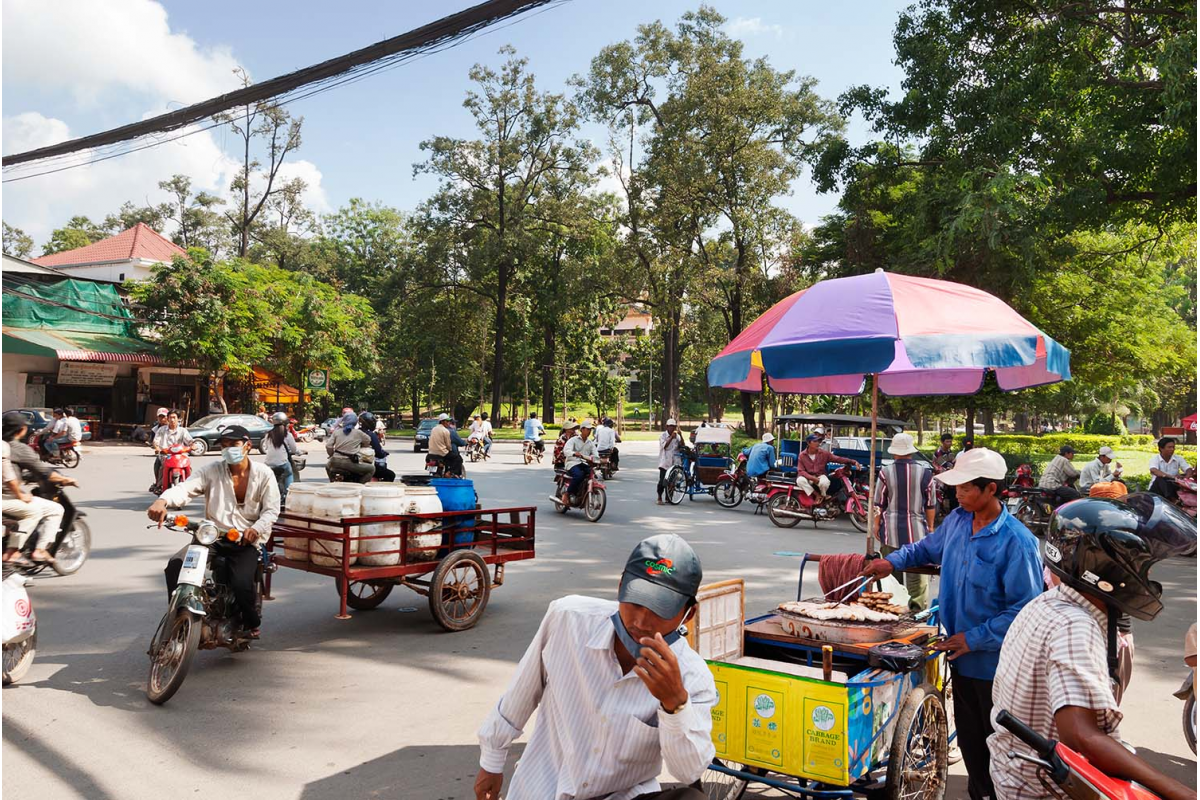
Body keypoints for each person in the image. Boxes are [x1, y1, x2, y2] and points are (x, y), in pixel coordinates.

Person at [475, 534, 716, 800]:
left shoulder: (693, 677)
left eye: (660, 609)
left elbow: (688, 771)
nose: (641, 621)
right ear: (621, 585)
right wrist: (492, 761)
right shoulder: (568, 618)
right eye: (635, 601)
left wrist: (674, 704)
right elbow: (521, 691)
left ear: (688, 613)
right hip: (544, 788)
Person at [862, 448, 1042, 800]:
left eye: (965, 488)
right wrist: (892, 562)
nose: (957, 494)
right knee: (973, 747)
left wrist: (972, 639)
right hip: (960, 661)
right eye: (955, 487)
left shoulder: (1017, 542)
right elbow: (925, 549)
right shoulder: (959, 520)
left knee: (999, 754)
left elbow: (1025, 611)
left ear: (991, 489)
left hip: (997, 669)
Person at [989, 495, 1196, 800]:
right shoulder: (1075, 626)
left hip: (1014, 776)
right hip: (1045, 790)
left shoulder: (1047, 603)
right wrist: (1178, 792)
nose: (1149, 578)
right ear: (1112, 570)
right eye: (1146, 568)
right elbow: (1081, 736)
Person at [148, 425, 279, 638]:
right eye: (224, 446)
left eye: (233, 444)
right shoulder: (212, 470)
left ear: (247, 445)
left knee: (241, 585)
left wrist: (255, 529)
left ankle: (251, 623)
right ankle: (179, 615)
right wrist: (162, 500)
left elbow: (271, 510)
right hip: (212, 536)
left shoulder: (264, 474)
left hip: (244, 540)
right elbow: (185, 488)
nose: (228, 449)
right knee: (175, 566)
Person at [870, 432, 936, 611]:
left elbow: (878, 503)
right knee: (918, 580)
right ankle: (917, 613)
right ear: (911, 451)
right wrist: (929, 527)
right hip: (917, 533)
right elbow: (931, 505)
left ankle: (894, 611)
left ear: (894, 452)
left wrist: (876, 524)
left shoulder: (885, 472)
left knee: (891, 575)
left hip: (890, 532)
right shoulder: (925, 473)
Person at [2, 413, 72, 564]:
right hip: (6, 498)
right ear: (21, 429)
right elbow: (10, 479)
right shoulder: (12, 448)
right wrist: (66, 479)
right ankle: (30, 551)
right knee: (51, 510)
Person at [325, 411, 375, 483]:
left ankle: (332, 481)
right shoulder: (358, 433)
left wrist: (331, 454)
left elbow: (328, 445)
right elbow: (368, 440)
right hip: (349, 462)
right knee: (371, 469)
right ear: (355, 422)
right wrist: (362, 445)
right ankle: (359, 486)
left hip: (334, 461)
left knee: (327, 467)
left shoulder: (337, 432)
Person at [151, 410, 194, 492]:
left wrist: (192, 445)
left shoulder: (183, 430)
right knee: (159, 465)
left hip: (180, 456)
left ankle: (190, 485)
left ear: (178, 419)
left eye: (174, 417)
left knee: (189, 466)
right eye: (170, 417)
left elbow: (190, 441)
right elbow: (156, 441)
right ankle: (159, 485)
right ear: (167, 419)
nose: (172, 420)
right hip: (166, 455)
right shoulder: (161, 430)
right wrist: (157, 448)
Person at [263, 411, 300, 504]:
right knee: (289, 474)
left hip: (268, 464)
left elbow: (267, 447)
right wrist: (299, 452)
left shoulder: (268, 434)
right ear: (285, 423)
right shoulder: (287, 434)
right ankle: (288, 494)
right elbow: (294, 449)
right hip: (282, 463)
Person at [561, 420, 599, 505]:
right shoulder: (573, 440)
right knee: (579, 475)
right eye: (587, 429)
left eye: (590, 429)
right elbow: (566, 450)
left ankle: (583, 492)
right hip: (572, 463)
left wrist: (597, 460)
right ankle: (567, 494)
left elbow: (596, 455)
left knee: (593, 475)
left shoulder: (590, 443)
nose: (589, 431)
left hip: (584, 463)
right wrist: (574, 453)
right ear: (582, 429)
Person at [1148, 436, 1191, 504]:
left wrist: (1186, 478)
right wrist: (1171, 477)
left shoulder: (1178, 458)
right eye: (1169, 447)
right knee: (1160, 479)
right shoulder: (1155, 459)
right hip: (1157, 488)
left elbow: (1188, 469)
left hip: (1173, 485)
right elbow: (1154, 470)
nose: (1172, 449)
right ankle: (1172, 499)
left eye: (1173, 447)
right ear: (1161, 448)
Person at [358, 412, 394, 482]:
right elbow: (378, 453)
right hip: (364, 465)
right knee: (391, 475)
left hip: (353, 463)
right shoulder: (370, 435)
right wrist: (384, 453)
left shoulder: (355, 432)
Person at [429, 413, 466, 478]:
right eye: (447, 421)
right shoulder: (445, 431)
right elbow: (448, 445)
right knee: (458, 459)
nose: (449, 423)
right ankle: (450, 472)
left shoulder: (433, 429)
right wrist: (450, 450)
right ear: (443, 422)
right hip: (441, 453)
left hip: (431, 453)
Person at [656, 419, 683, 505]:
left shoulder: (677, 436)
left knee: (672, 481)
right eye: (670, 426)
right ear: (667, 427)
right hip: (665, 461)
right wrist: (671, 437)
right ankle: (659, 497)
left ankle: (669, 497)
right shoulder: (663, 435)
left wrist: (681, 435)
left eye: (673, 426)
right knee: (662, 481)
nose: (672, 428)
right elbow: (665, 446)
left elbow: (682, 446)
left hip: (675, 461)